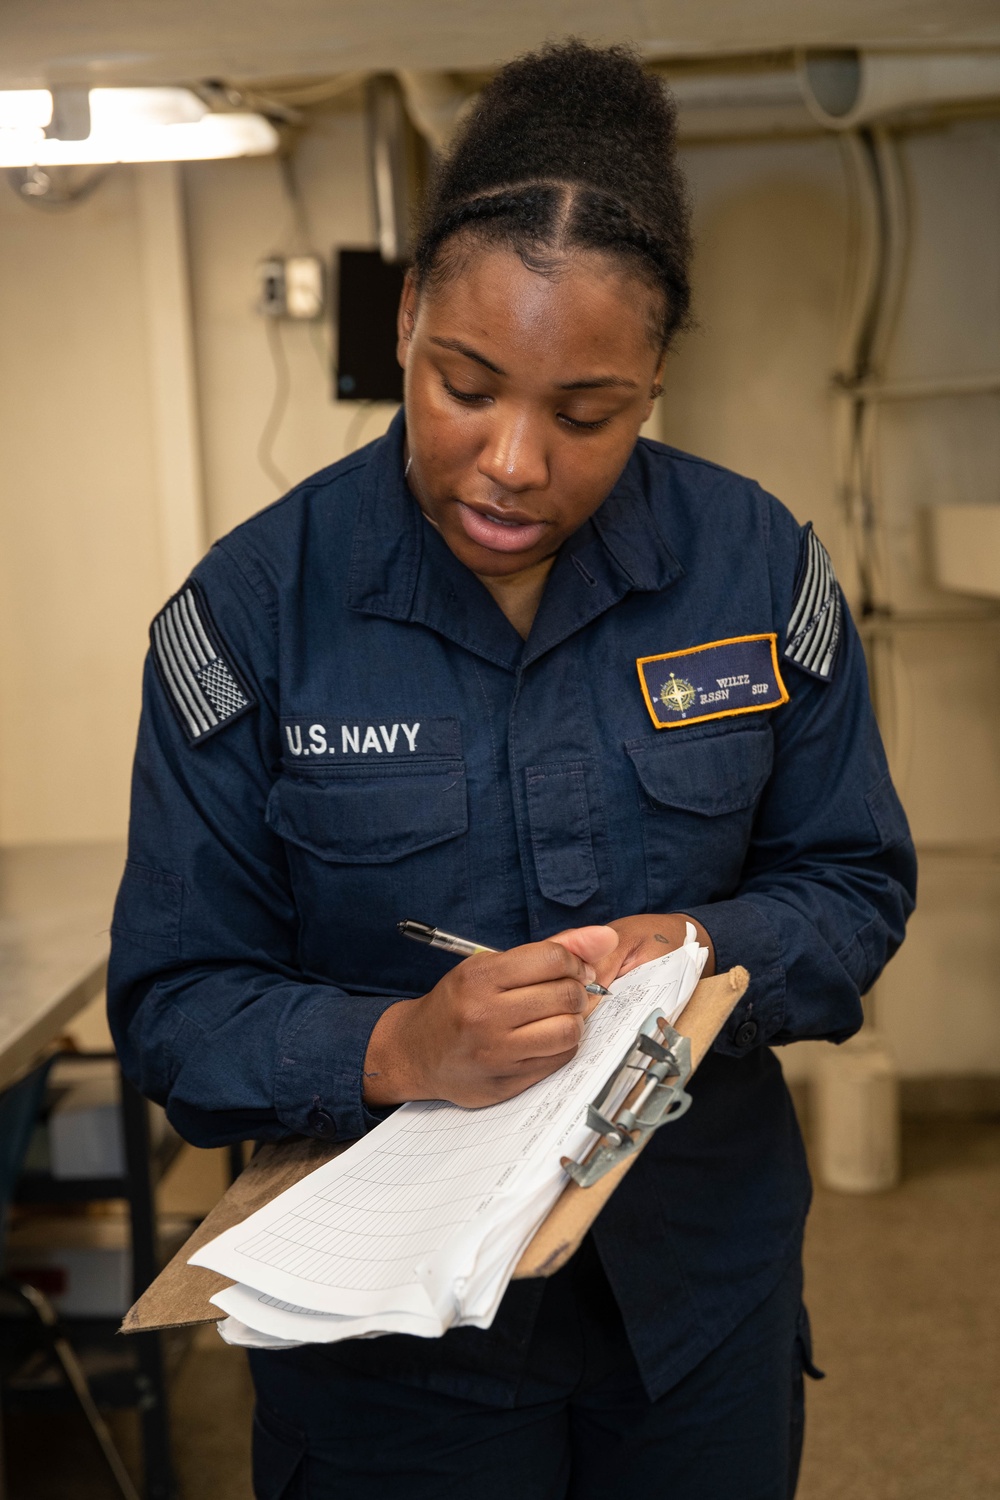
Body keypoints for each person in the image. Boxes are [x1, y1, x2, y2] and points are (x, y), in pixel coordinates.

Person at [108, 39, 916, 1500]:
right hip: (390, 1359)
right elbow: (177, 1007)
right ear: (406, 314)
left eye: (586, 413)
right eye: (465, 385)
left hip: (695, 1314)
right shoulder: (249, 617)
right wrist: (397, 1050)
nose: (514, 464)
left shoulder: (759, 570)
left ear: (659, 380)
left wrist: (707, 953)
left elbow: (853, 885)